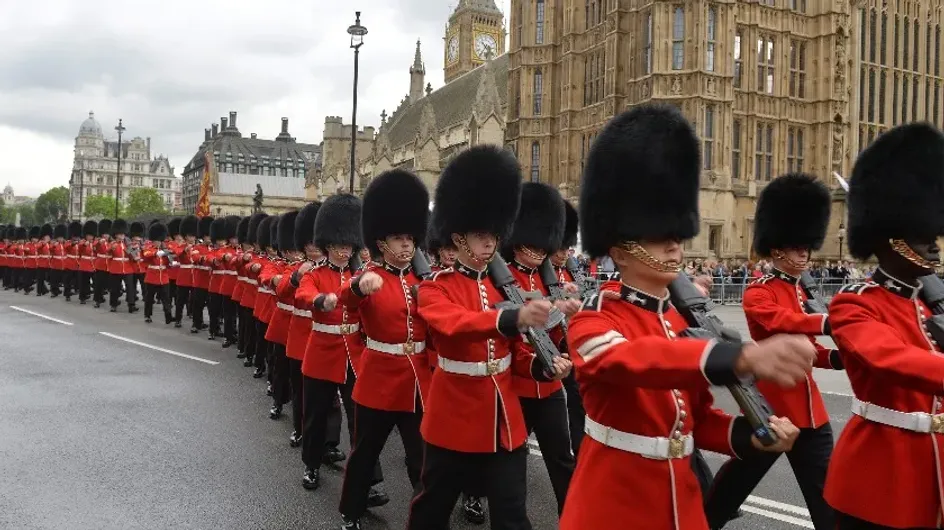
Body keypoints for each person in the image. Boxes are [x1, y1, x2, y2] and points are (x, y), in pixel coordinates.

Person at [562, 104, 814, 529]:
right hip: (614, 504)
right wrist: (735, 357)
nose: (675, 246)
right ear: (620, 251)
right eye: (660, 237)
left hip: (681, 504)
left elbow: (694, 419)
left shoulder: (677, 322)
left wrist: (748, 435)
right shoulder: (593, 319)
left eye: (676, 235)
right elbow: (630, 361)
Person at [407, 145, 572, 530]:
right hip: (454, 416)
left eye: (494, 235)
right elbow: (455, 325)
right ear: (459, 237)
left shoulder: (504, 289)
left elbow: (515, 352)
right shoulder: (434, 289)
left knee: (513, 513)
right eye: (481, 235)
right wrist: (510, 318)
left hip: (504, 418)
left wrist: (545, 368)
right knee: (432, 509)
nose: (490, 243)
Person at [705, 173, 841, 529]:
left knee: (827, 497)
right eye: (798, 247)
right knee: (732, 489)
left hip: (812, 414)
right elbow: (782, 323)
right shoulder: (758, 291)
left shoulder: (799, 291)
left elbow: (807, 348)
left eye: (807, 247)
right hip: (774, 409)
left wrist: (835, 358)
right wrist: (826, 322)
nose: (805, 253)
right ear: (777, 249)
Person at [826, 122, 944, 529]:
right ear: (889, 238)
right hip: (879, 476)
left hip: (934, 474)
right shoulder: (854, 305)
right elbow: (889, 358)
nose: (934, 244)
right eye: (922, 233)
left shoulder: (930, 306)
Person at [337, 169, 431, 530]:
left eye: (410, 237)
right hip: (379, 379)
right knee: (365, 453)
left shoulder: (423, 280)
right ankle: (351, 509)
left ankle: (425, 519)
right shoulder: (367, 276)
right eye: (398, 238)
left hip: (416, 381)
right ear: (381, 241)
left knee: (421, 458)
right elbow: (346, 301)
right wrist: (361, 288)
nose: (406, 245)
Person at [294, 193, 386, 505]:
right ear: (328, 244)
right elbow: (304, 295)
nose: (345, 250)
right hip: (322, 351)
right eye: (340, 244)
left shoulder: (361, 276)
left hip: (354, 355)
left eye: (349, 244)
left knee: (360, 420)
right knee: (316, 416)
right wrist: (321, 301)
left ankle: (368, 480)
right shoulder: (316, 273)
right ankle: (311, 465)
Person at [503, 181, 579, 515]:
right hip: (515, 383)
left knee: (561, 455)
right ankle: (477, 494)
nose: (540, 250)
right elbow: (502, 333)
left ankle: (574, 517)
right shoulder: (500, 278)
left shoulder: (551, 281)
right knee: (508, 455)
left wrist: (568, 319)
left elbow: (560, 338)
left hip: (547, 386)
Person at [141, 222, 174, 325]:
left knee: (166, 299)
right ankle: (147, 315)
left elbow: (169, 262)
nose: (158, 243)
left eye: (159, 241)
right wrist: (156, 253)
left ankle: (168, 316)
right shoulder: (148, 248)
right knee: (149, 299)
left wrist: (172, 263)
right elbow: (146, 255)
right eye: (156, 241)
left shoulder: (165, 250)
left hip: (163, 277)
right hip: (151, 277)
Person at [107, 219, 138, 313]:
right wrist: (111, 248)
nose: (122, 236)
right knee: (115, 288)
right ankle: (113, 305)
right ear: (116, 234)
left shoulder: (127, 244)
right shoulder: (113, 244)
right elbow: (108, 251)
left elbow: (133, 255)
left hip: (127, 268)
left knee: (130, 288)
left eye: (123, 234)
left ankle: (131, 305)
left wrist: (135, 251)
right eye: (120, 234)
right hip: (116, 269)